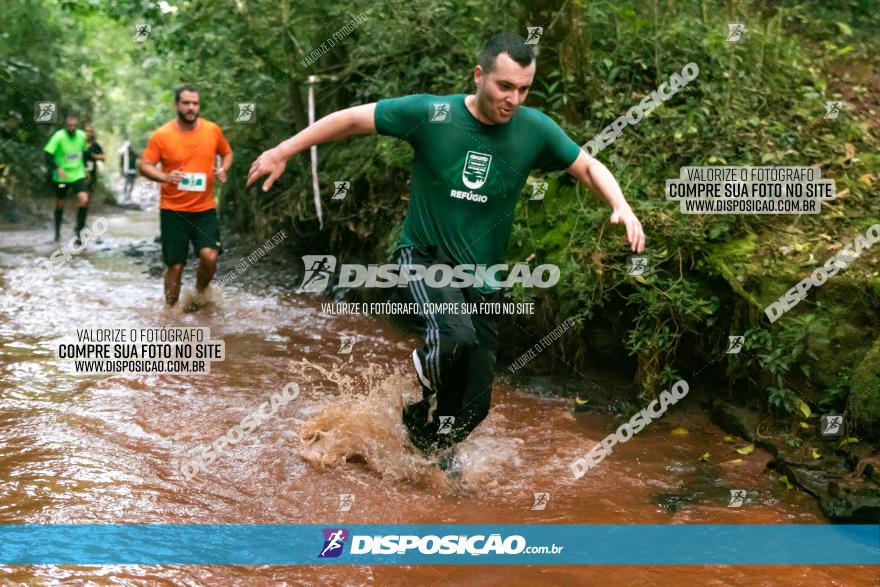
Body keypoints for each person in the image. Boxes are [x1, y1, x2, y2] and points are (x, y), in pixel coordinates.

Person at [247, 33, 646, 466]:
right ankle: (425, 370)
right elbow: (351, 120)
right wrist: (284, 149)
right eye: (504, 86)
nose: (513, 98)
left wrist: (620, 204)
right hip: (424, 257)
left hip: (484, 279)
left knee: (474, 406)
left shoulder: (535, 130)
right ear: (480, 76)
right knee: (455, 336)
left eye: (523, 89)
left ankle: (423, 444)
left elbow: (586, 164)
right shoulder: (431, 114)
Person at [139, 85, 233, 307]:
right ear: (176, 105)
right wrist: (164, 177)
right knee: (176, 265)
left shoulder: (212, 130)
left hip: (204, 209)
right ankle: (171, 310)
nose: (191, 108)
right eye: (186, 103)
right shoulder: (162, 135)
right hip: (173, 210)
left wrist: (223, 169)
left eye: (195, 103)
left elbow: (227, 153)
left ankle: (199, 294)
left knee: (210, 256)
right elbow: (145, 166)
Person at [43, 115, 89, 243]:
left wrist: (86, 169)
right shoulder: (58, 136)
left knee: (84, 199)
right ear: (65, 126)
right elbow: (47, 155)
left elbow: (84, 153)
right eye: (70, 126)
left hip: (77, 174)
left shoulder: (82, 136)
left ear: (78, 126)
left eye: (75, 126)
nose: (72, 128)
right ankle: (57, 233)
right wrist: (57, 168)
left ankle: (79, 231)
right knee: (60, 203)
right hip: (62, 178)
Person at [83, 124, 105, 202]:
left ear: (92, 133)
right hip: (79, 173)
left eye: (90, 132)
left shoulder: (95, 145)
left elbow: (103, 157)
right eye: (86, 131)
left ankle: (84, 212)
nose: (88, 133)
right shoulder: (78, 143)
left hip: (92, 173)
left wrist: (93, 155)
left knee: (88, 197)